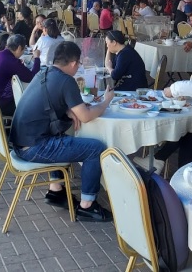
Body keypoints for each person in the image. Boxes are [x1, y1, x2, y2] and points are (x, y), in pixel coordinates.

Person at [10, 41, 114, 221]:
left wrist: (68, 110)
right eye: (79, 64)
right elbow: (86, 116)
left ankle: (56, 190)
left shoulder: (42, 72)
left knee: (59, 135)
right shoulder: (67, 81)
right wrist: (106, 101)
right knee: (96, 149)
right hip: (34, 148)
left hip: (20, 142)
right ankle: (87, 206)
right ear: (74, 63)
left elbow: (47, 101)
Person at [0, 34, 40, 115]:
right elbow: (32, 77)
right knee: (33, 105)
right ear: (19, 48)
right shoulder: (12, 62)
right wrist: (37, 58)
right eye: (24, 49)